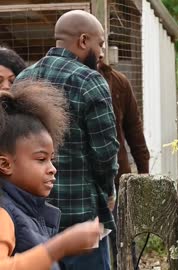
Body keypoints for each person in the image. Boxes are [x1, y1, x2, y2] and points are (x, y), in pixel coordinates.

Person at [15, 10, 119, 270]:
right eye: (101, 43)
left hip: (32, 220)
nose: (103, 52)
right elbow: (105, 153)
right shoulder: (90, 81)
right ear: (83, 41)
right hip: (80, 220)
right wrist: (108, 191)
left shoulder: (23, 79)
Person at [0, 81, 103, 270]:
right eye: (41, 159)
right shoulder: (3, 213)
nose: (52, 168)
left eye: (51, 159)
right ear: (5, 164)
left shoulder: (28, 209)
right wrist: (60, 246)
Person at [98, 58, 150, 269]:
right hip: (82, 183)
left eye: (102, 45)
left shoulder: (118, 82)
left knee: (123, 239)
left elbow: (134, 130)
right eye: (96, 44)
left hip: (118, 178)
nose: (100, 53)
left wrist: (144, 173)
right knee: (95, 243)